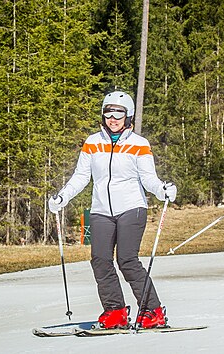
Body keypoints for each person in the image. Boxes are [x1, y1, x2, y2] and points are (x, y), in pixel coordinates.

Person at [48, 91, 177, 329]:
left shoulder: (139, 144)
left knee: (127, 260)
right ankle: (115, 311)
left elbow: (149, 179)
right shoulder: (92, 142)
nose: (113, 118)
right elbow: (81, 176)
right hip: (100, 209)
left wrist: (162, 190)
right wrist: (63, 196)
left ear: (128, 116)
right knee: (100, 260)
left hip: (132, 207)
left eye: (119, 113)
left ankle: (153, 311)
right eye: (108, 113)